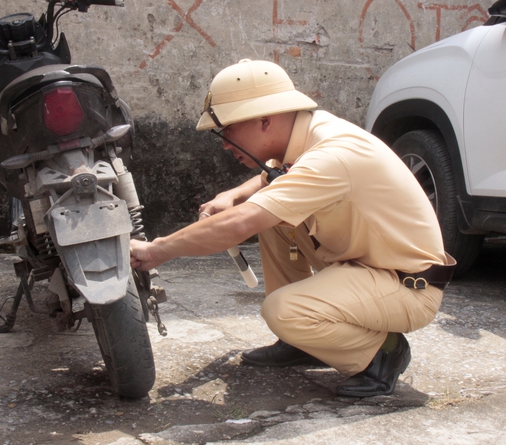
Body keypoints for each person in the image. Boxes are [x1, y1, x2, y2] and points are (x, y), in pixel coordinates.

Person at [129, 58, 455, 397]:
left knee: (281, 309)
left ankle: (382, 352)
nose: (225, 143)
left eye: (227, 129)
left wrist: (156, 250)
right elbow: (271, 177)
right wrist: (232, 194)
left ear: (265, 120)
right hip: (369, 264)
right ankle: (303, 342)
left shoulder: (332, 153)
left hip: (408, 286)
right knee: (275, 216)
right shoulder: (309, 132)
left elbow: (243, 222)